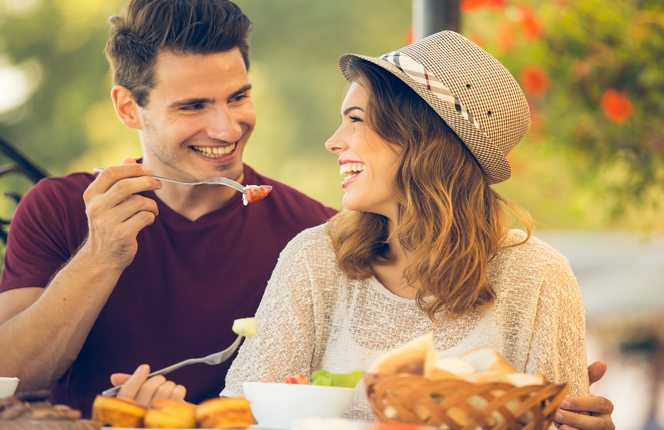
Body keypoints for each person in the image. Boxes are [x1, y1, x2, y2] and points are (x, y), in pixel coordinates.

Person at [214, 31, 612, 429]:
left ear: (420, 137)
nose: (332, 142)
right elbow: (239, 417)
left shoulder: (538, 275)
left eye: (356, 120)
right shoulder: (314, 258)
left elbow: (566, 421)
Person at [0, 0, 335, 417]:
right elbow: (12, 375)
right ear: (128, 108)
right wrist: (100, 255)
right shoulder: (58, 208)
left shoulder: (313, 230)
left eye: (238, 97)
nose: (227, 128)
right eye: (193, 106)